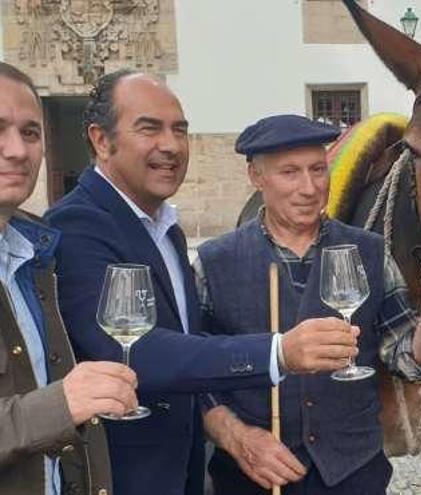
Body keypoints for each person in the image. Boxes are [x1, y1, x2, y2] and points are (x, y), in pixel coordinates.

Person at [44, 71, 354, 495]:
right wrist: (278, 351)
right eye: (149, 128)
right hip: (125, 478)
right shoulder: (76, 224)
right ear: (101, 140)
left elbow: (191, 341)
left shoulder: (164, 227)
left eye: (180, 130)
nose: (170, 145)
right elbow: (131, 351)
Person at [195, 114, 421, 494]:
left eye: (318, 169)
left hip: (354, 472)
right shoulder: (213, 262)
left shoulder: (369, 251)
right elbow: (194, 374)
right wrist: (237, 437)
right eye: (289, 172)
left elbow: (404, 353)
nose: (309, 187)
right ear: (256, 177)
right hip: (253, 474)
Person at [0, 61, 139, 495]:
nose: (18, 151)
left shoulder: (35, 258)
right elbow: (57, 405)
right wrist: (60, 405)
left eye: (30, 132)